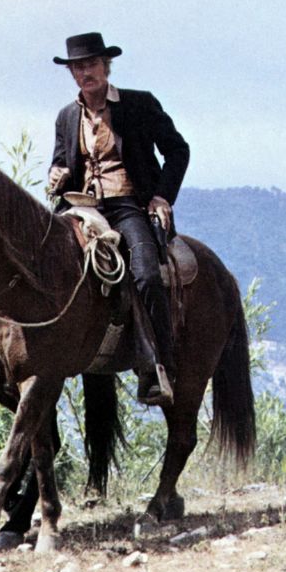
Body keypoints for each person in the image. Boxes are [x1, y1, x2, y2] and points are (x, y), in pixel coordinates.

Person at [48, 32, 189, 406]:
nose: (84, 73)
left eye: (91, 65)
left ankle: (159, 364)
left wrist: (161, 196)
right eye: (77, 68)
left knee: (144, 272)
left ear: (106, 67)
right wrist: (56, 173)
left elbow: (178, 150)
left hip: (128, 204)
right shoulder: (66, 116)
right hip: (80, 207)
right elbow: (61, 160)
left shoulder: (139, 105)